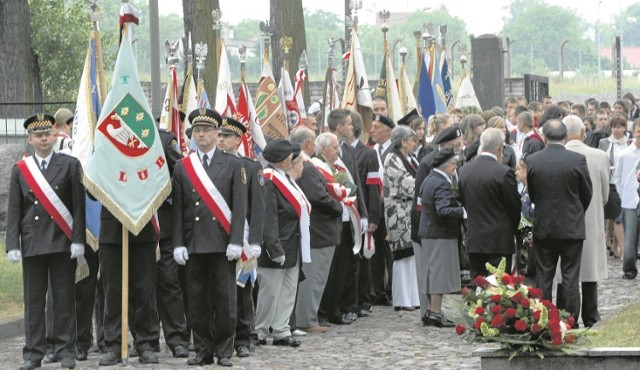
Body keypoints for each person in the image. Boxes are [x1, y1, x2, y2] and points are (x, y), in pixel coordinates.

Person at [7, 114, 86, 370]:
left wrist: (78, 240)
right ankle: (33, 354)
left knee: (63, 299)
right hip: (33, 243)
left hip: (62, 242)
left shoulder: (70, 165)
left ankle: (66, 352)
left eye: (47, 134)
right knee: (33, 302)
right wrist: (13, 245)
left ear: (54, 136)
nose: (43, 138)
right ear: (30, 139)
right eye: (38, 135)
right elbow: (15, 210)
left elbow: (78, 207)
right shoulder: (20, 170)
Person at [172, 108, 247, 367]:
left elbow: (239, 207)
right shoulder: (183, 167)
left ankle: (225, 350)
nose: (201, 134)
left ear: (217, 134)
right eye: (197, 131)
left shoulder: (233, 164)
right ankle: (202, 349)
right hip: (194, 244)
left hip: (222, 242)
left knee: (225, 299)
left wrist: (237, 240)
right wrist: (178, 243)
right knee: (196, 300)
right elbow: (179, 208)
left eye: (206, 131)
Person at [526, 119, 592, 325]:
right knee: (571, 277)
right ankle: (570, 321)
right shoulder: (577, 160)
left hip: (545, 226)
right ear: (566, 136)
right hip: (571, 226)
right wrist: (575, 211)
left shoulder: (533, 160)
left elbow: (533, 194)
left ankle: (544, 321)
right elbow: (586, 193)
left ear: (544, 137)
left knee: (544, 277)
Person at [216, 117, 265, 357]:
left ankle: (243, 339)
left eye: (226, 136)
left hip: (243, 237)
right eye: (220, 135)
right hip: (216, 236)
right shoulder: (208, 166)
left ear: (238, 140)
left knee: (242, 291)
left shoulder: (251, 167)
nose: (221, 139)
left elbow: (257, 207)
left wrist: (254, 240)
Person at [255, 140, 309, 348]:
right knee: (270, 291)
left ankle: (281, 330)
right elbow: (268, 217)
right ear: (283, 159)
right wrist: (274, 247)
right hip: (276, 245)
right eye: (288, 157)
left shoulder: (285, 178)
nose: (291, 160)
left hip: (292, 243)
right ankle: (260, 330)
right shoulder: (269, 179)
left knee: (287, 290)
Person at [291, 127, 343, 333]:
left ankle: (309, 317)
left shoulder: (306, 164)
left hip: (317, 231)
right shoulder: (306, 165)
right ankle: (307, 319)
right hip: (319, 231)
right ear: (308, 144)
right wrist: (339, 206)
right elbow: (317, 196)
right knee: (314, 278)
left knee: (316, 278)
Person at [561, 115, 610, 327]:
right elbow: (606, 193)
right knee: (590, 271)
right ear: (583, 133)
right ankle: (591, 313)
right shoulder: (599, 156)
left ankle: (565, 315)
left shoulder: (557, 156)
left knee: (566, 272)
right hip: (591, 217)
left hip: (564, 220)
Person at [321, 110, 368, 325]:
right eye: (349, 124)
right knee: (335, 267)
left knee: (351, 263)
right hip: (334, 215)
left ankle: (351, 306)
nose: (352, 127)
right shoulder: (322, 151)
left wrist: (364, 214)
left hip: (352, 214)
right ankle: (333, 308)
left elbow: (356, 183)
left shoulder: (348, 150)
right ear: (339, 127)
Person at [458, 128, 521, 279]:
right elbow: (514, 207)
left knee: (478, 287)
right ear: (500, 148)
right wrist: (513, 229)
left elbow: (464, 200)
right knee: (499, 290)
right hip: (499, 240)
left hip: (475, 238)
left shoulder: (464, 171)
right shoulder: (504, 172)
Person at [154, 119, 190, 359]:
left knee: (169, 282)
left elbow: (184, 176)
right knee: (140, 287)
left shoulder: (165, 140)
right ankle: (143, 339)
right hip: (134, 228)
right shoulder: (119, 141)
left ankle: (177, 338)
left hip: (164, 226)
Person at [417, 148, 464, 327]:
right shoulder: (441, 183)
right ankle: (436, 312)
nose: (455, 167)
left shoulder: (429, 179)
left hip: (429, 232)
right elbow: (443, 210)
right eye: (454, 163)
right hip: (439, 233)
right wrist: (464, 212)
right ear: (446, 165)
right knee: (437, 273)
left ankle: (430, 310)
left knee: (430, 271)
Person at [347, 111, 383, 317]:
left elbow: (373, 187)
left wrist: (372, 216)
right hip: (346, 212)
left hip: (363, 212)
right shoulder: (338, 152)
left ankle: (364, 300)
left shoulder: (368, 154)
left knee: (364, 258)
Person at [383, 125, 420, 311]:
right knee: (403, 255)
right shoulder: (392, 158)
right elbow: (406, 184)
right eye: (412, 140)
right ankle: (402, 298)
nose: (414, 143)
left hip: (409, 214)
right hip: (398, 214)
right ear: (403, 141)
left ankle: (413, 297)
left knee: (412, 255)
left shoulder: (408, 158)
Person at [369, 112, 396, 305]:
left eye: (376, 128)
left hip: (390, 209)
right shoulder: (371, 150)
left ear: (387, 131)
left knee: (391, 253)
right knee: (376, 254)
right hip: (374, 210)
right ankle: (378, 291)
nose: (372, 131)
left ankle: (393, 289)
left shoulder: (395, 151)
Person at [598, 114, 629, 259]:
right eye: (614, 127)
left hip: (626, 184)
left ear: (624, 128)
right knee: (617, 216)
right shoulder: (604, 142)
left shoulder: (629, 143)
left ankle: (615, 245)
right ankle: (622, 249)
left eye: (619, 126)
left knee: (618, 216)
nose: (616, 130)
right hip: (610, 183)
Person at [612, 119, 640, 280]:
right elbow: (618, 177)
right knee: (630, 235)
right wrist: (623, 195)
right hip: (630, 199)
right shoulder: (625, 154)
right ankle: (629, 267)